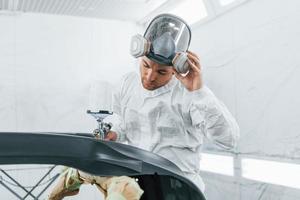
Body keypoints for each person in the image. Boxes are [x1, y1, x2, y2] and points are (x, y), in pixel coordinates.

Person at [104, 13, 240, 193]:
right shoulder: (127, 84)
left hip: (179, 188)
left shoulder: (191, 95)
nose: (150, 77)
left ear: (177, 68)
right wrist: (116, 133)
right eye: (145, 65)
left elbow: (228, 140)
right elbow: (124, 121)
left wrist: (198, 93)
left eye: (162, 72)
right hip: (138, 185)